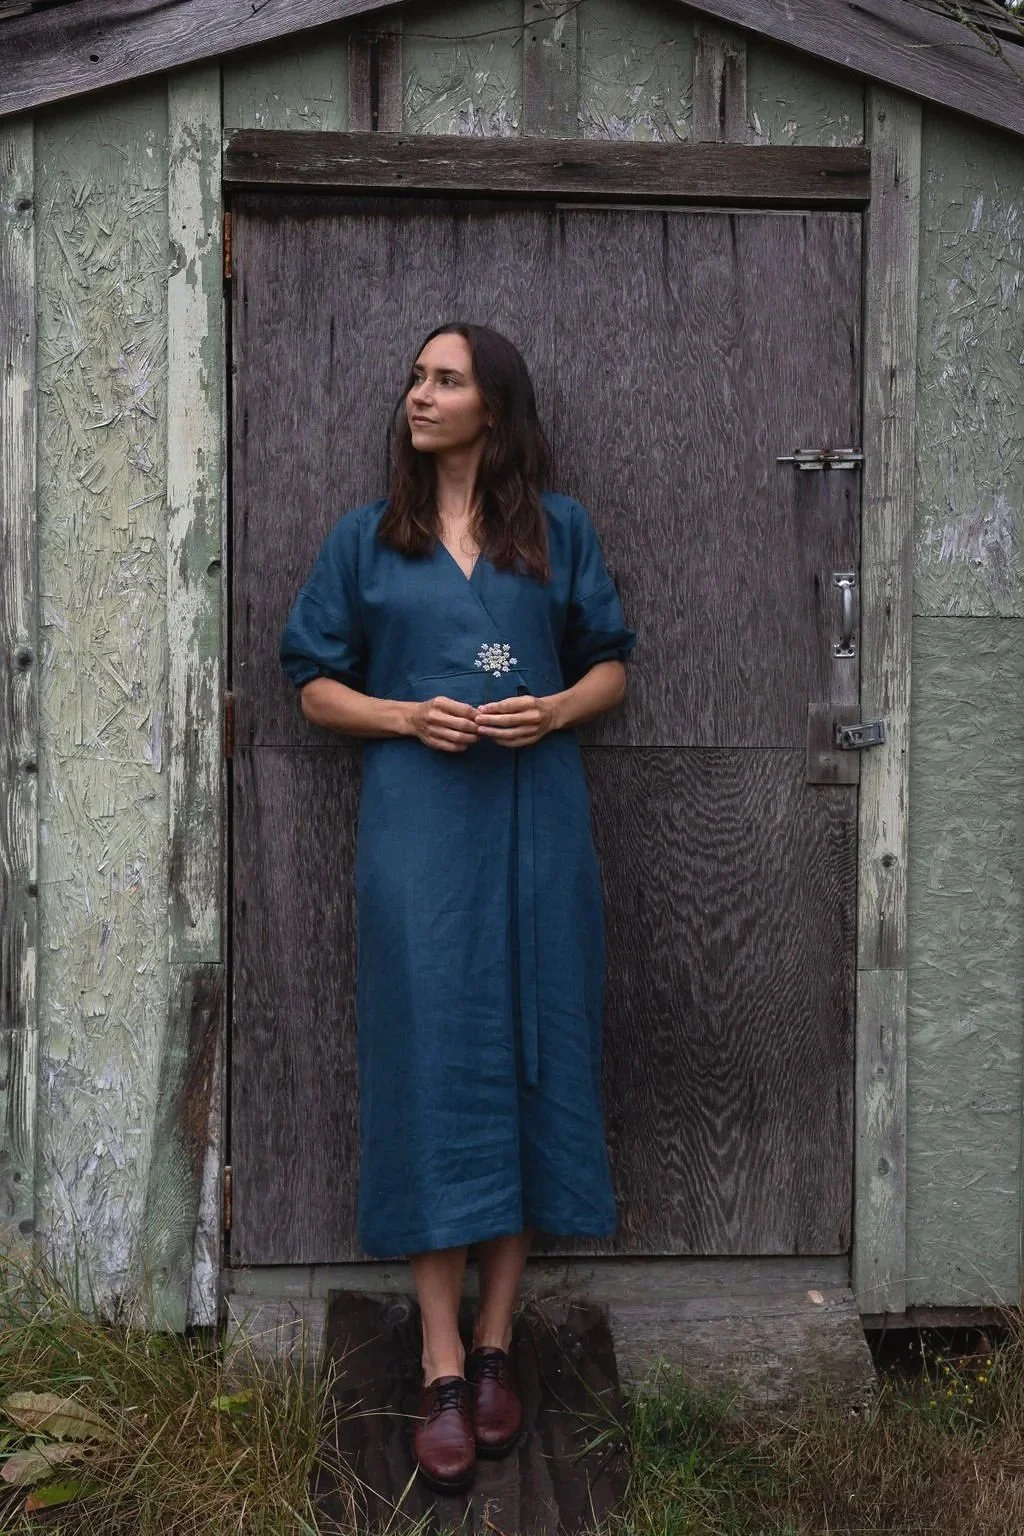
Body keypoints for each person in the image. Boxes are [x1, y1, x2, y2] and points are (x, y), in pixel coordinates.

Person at [278, 321, 636, 1494]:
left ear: (496, 405)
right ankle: (439, 1365)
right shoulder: (365, 542)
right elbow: (311, 680)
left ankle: (497, 1344)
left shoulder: (558, 531)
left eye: (445, 379)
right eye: (416, 377)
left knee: (534, 1054)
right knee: (432, 1066)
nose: (418, 394)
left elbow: (611, 665)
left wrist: (553, 711)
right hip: (417, 838)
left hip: (536, 830)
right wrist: (403, 714)